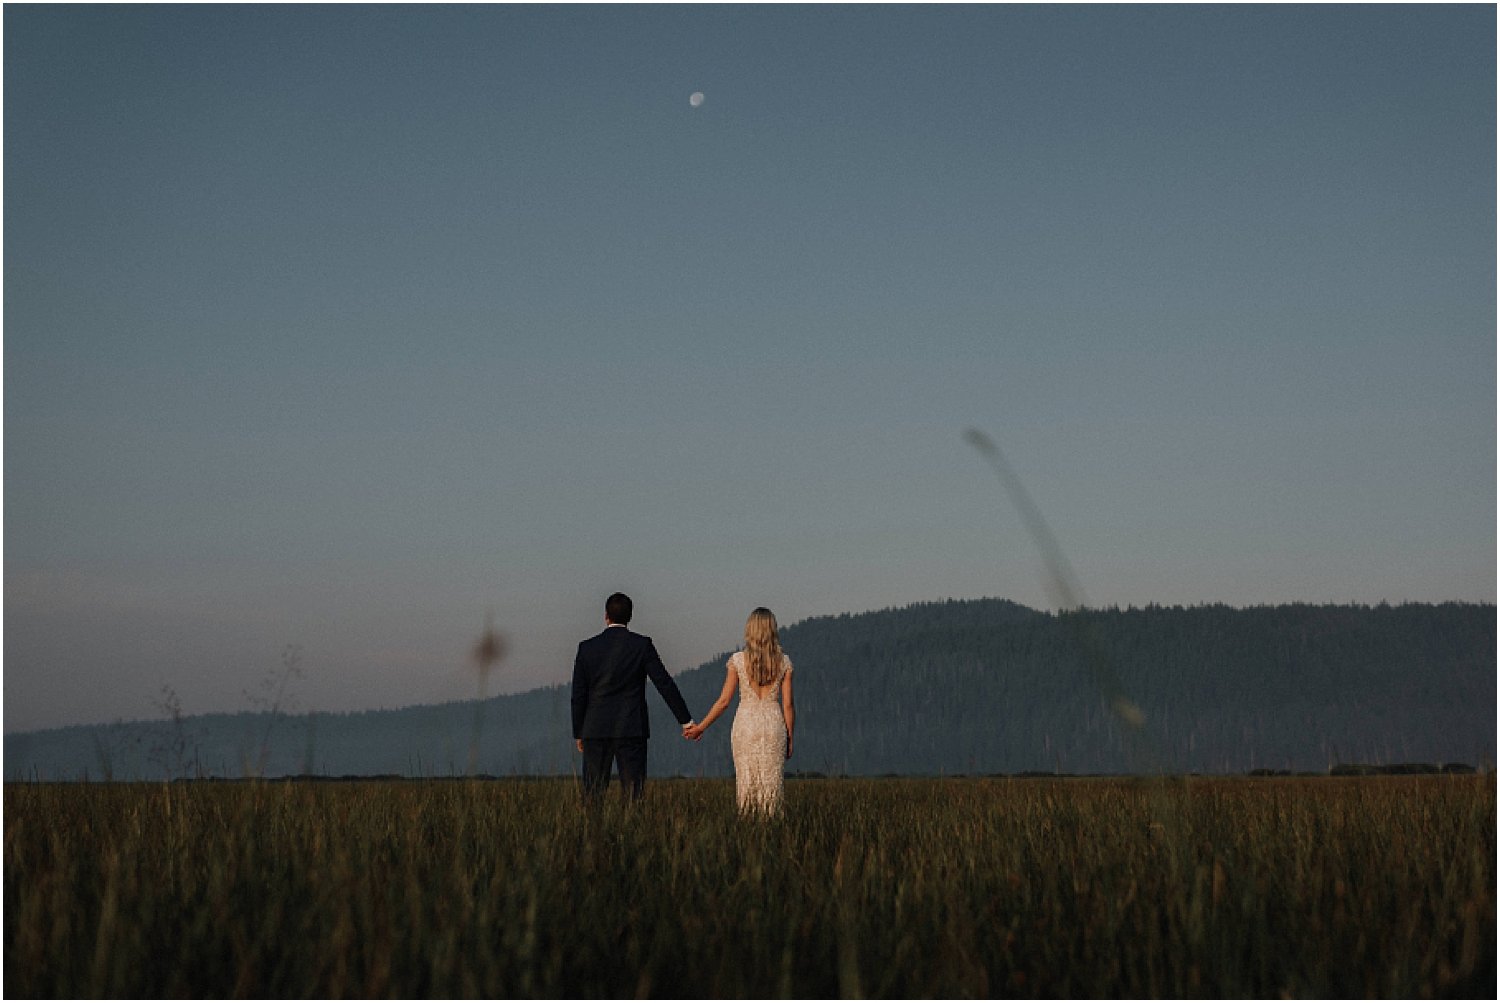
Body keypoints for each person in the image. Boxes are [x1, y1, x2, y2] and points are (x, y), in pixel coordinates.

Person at [571, 592, 697, 800]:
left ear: (606, 616)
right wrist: (685, 720)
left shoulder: (586, 648)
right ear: (630, 616)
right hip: (631, 727)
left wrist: (579, 731)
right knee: (633, 796)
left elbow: (578, 694)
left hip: (595, 728)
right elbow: (664, 683)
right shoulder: (641, 645)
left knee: (593, 796)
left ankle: (592, 832)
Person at [684, 607, 795, 815]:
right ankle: (771, 830)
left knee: (746, 783)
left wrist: (701, 727)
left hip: (745, 724)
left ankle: (747, 829)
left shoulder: (738, 661)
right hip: (773, 725)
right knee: (772, 787)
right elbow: (787, 704)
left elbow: (724, 701)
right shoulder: (784, 662)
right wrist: (790, 736)